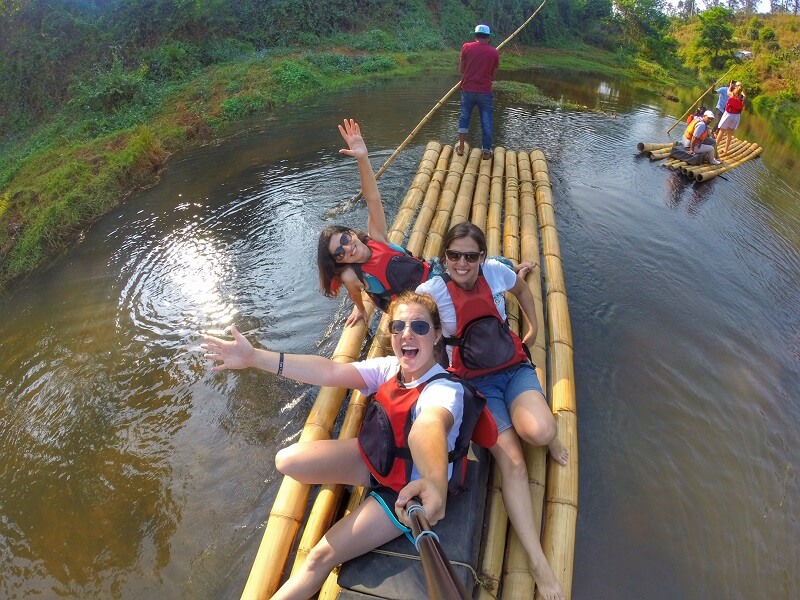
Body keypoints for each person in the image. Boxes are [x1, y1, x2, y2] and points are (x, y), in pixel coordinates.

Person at [202, 292, 494, 600]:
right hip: (376, 459)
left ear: (436, 335)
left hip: (407, 492)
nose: (407, 334)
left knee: (318, 558)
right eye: (398, 326)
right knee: (287, 461)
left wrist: (435, 485)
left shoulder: (445, 390)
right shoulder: (390, 368)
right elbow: (329, 372)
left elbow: (428, 426)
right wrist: (253, 358)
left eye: (419, 327)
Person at [416, 222, 567, 600]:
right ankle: (538, 562)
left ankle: (548, 435)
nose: (462, 263)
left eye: (471, 256)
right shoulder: (432, 293)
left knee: (542, 433)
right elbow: (411, 331)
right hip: (476, 384)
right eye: (454, 255)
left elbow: (521, 289)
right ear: (444, 257)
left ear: (482, 257)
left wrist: (532, 328)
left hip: (512, 368)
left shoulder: (497, 272)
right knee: (513, 463)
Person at [319, 119, 532, 327]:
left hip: (433, 270)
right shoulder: (351, 274)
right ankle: (515, 278)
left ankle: (517, 270)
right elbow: (355, 291)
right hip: (423, 301)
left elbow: (372, 198)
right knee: (474, 300)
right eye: (339, 253)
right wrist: (361, 309)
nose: (347, 248)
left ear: (352, 234)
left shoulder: (376, 238)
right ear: (338, 261)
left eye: (345, 239)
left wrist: (363, 159)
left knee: (496, 263)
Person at [456, 23, 500, 160]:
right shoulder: (494, 52)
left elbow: (462, 70)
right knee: (486, 121)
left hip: (467, 90)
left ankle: (461, 148)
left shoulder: (466, 47)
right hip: (485, 92)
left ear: (475, 36)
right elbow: (493, 76)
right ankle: (486, 152)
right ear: (488, 38)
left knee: (464, 118)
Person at [717, 83, 746, 155]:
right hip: (736, 116)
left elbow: (728, 91)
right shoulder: (743, 98)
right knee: (729, 133)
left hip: (728, 115)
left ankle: (715, 146)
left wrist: (730, 86)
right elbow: (744, 97)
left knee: (721, 131)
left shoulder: (732, 94)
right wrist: (742, 92)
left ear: (736, 88)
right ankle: (726, 150)